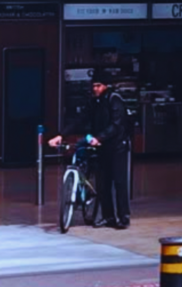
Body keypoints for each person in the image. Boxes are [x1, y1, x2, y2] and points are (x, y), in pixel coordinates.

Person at [48, 68, 131, 229]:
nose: (95, 89)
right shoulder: (93, 102)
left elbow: (116, 124)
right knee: (102, 183)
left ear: (106, 86)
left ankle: (124, 217)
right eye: (93, 86)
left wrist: (99, 137)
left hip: (117, 147)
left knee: (119, 182)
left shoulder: (115, 100)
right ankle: (108, 217)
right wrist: (61, 135)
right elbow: (80, 119)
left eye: (98, 86)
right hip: (100, 147)